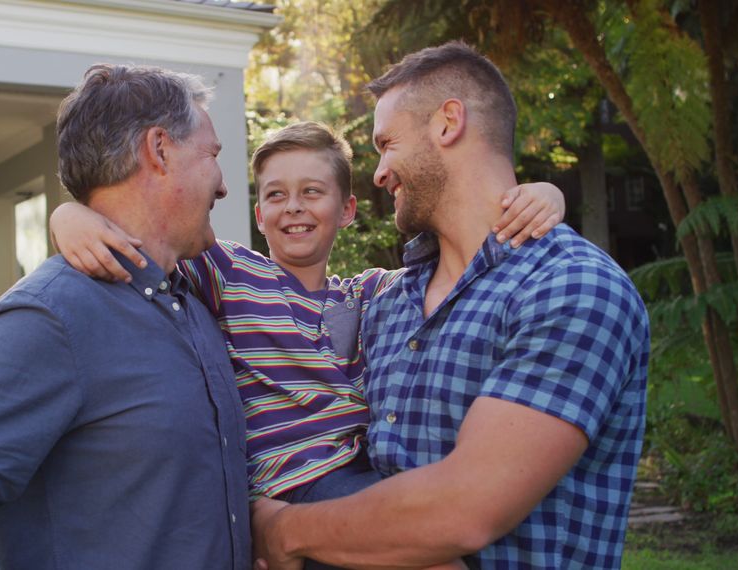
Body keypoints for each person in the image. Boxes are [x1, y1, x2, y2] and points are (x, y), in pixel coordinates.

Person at [51, 121, 564, 568]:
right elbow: (140, 234)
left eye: (312, 192)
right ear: (258, 214)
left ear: (346, 210)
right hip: (288, 481)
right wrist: (68, 218)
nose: (293, 207)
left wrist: (547, 195)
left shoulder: (370, 293)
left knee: (434, 535)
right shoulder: (229, 271)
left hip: (362, 471)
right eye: (275, 195)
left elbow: (456, 265)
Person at [251, 41, 650, 570]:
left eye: (387, 143)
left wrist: (280, 530)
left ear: (448, 123)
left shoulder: (571, 286)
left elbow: (466, 510)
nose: (378, 172)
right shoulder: (386, 303)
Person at [0, 63, 249, 569]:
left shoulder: (199, 295)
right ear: (159, 149)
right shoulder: (51, 317)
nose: (224, 185)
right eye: (213, 155)